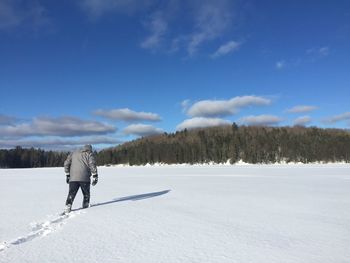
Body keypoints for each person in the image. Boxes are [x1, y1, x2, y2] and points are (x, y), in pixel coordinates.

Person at [63, 144, 98, 213]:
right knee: (86, 194)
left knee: (71, 193)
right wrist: (95, 175)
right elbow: (92, 164)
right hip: (85, 178)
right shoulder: (89, 154)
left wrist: (67, 174)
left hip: (73, 178)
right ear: (89, 149)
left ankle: (68, 206)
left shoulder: (73, 153)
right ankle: (85, 206)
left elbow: (66, 163)